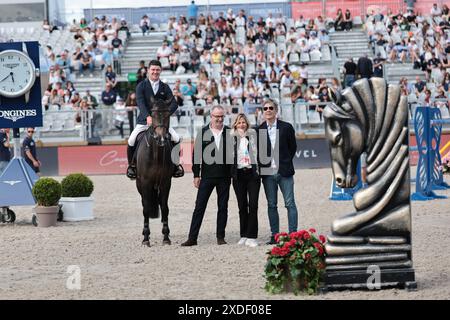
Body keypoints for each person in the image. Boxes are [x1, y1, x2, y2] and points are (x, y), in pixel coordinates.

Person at [181, 105, 232, 246]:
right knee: (199, 207)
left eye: (221, 116)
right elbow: (196, 154)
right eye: (217, 116)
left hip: (224, 177)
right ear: (211, 116)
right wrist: (196, 175)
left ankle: (220, 237)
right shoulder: (203, 132)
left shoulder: (229, 132)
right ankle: (192, 238)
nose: (219, 119)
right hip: (207, 176)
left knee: (223, 207)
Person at [126, 60, 183, 179]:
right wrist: (148, 116)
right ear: (148, 71)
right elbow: (140, 103)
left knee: (176, 138)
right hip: (144, 121)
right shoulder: (141, 86)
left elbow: (174, 104)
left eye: (157, 70)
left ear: (160, 71)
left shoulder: (165, 87)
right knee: (131, 140)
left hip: (161, 123)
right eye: (153, 69)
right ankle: (132, 166)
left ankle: (176, 165)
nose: (155, 72)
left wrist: (165, 116)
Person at [258, 99, 298, 245]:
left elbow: (292, 147)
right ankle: (275, 235)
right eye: (265, 108)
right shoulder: (259, 129)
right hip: (268, 173)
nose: (268, 110)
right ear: (263, 112)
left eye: (270, 108)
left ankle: (293, 234)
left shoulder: (286, 127)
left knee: (290, 203)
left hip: (284, 172)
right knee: (271, 205)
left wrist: (285, 162)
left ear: (276, 110)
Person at [231, 114, 260, 247]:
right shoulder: (231, 138)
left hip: (252, 175)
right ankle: (244, 234)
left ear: (247, 124)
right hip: (238, 176)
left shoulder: (253, 136)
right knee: (242, 206)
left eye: (243, 122)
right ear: (235, 125)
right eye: (239, 122)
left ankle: (252, 236)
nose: (241, 124)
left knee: (253, 205)